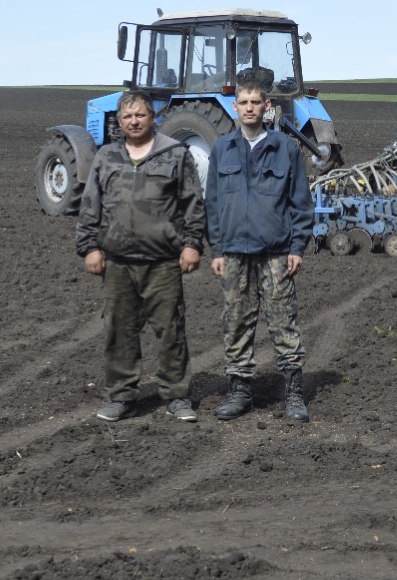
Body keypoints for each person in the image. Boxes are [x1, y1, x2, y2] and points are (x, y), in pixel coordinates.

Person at [75, 91, 205, 422]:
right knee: (119, 330)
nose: (134, 121)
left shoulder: (174, 153)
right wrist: (90, 247)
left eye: (140, 115)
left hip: (163, 261)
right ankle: (122, 397)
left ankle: (176, 396)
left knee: (171, 330)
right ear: (119, 122)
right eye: (128, 117)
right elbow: (90, 205)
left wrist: (192, 244)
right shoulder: (106, 156)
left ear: (153, 118)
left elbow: (192, 203)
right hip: (117, 261)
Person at [205, 76, 314, 422]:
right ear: (234, 107)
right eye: (244, 102)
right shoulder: (222, 149)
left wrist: (297, 246)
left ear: (266, 107)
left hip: (277, 251)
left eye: (256, 102)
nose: (249, 108)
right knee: (236, 322)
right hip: (234, 252)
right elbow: (213, 203)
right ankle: (240, 392)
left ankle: (294, 394)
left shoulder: (286, 148)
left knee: (283, 321)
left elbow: (300, 201)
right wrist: (217, 249)